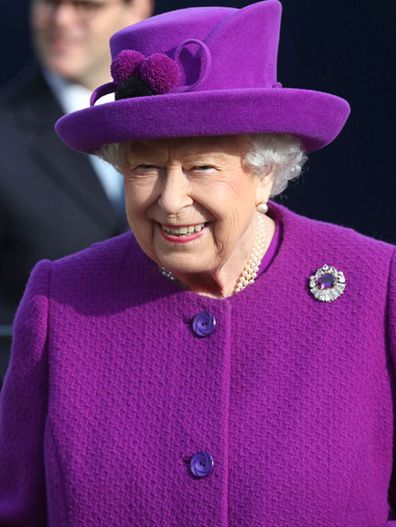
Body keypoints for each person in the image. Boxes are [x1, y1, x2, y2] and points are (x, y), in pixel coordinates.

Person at [1, 1, 395, 525]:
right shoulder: (61, 299)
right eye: (145, 167)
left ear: (265, 170)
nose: (170, 199)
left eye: (201, 166)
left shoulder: (375, 285)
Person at [0, 0, 153, 380]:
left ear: (137, 8)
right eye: (48, 3)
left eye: (87, 5)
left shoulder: (179, 123)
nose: (62, 20)